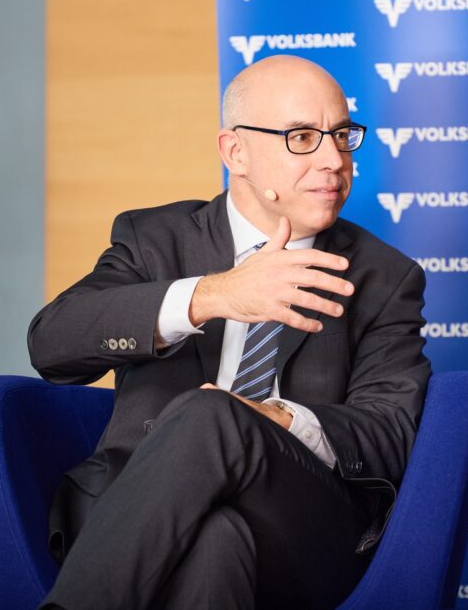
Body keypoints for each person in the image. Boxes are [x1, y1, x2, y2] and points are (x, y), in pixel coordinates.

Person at [28, 55, 431, 610]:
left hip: (300, 527)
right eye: (302, 137)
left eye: (341, 136)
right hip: (135, 515)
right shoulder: (154, 238)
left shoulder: (383, 276)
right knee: (215, 541)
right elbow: (51, 344)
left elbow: (391, 433)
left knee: (211, 412)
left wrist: (277, 419)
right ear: (235, 152)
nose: (334, 160)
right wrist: (212, 295)